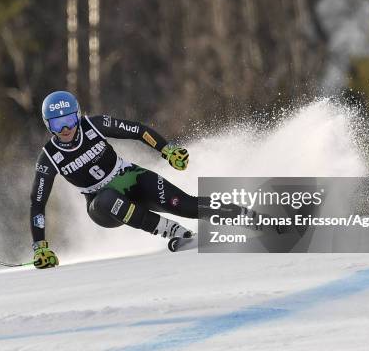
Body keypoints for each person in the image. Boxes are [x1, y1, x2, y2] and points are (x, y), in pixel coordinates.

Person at [30, 91, 250, 269]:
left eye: (69, 120)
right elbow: (38, 203)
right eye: (58, 125)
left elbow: (137, 130)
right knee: (107, 198)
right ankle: (172, 231)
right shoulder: (49, 157)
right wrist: (40, 247)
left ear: (77, 116)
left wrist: (167, 150)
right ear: (48, 126)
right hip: (102, 207)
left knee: (184, 204)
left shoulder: (94, 125)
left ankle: (246, 215)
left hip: (130, 178)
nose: (66, 129)